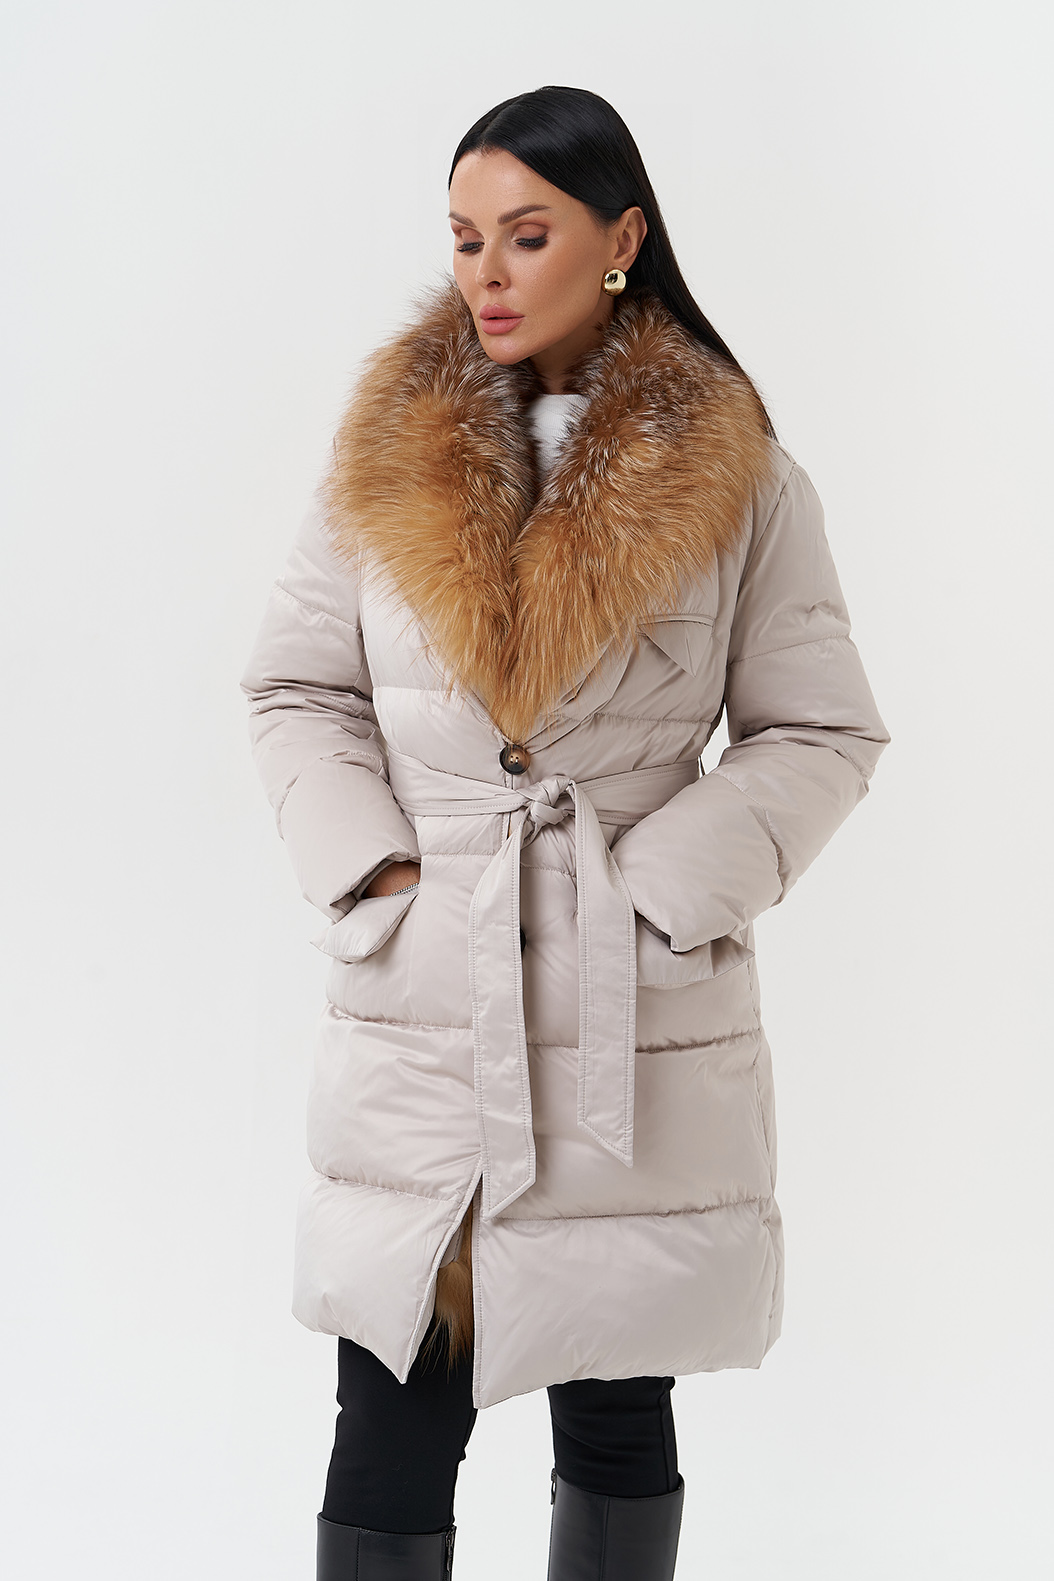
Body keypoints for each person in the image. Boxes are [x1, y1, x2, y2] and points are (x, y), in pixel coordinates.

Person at [240, 84, 889, 1581]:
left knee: (615, 1396)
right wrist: (377, 871)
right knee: (390, 1403)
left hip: (629, 1009)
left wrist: (661, 889)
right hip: (425, 1008)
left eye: (526, 235)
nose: (487, 271)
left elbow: (820, 728)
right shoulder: (380, 459)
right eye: (464, 237)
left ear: (621, 239)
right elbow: (295, 685)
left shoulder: (741, 478)